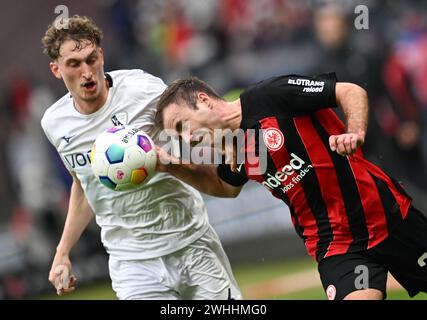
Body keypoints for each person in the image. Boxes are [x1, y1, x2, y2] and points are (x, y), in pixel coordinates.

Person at [156, 74, 427, 300]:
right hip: (336, 246)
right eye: (177, 136)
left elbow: (349, 91)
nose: (187, 139)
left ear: (203, 101)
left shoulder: (269, 96)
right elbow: (225, 187)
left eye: (182, 125)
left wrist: (354, 132)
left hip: (386, 218)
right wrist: (170, 166)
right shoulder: (237, 149)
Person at [40, 15, 241, 300]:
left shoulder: (142, 89)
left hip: (192, 243)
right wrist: (62, 253)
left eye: (91, 59)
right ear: (56, 69)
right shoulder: (55, 123)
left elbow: (193, 119)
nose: (87, 72)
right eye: (74, 64)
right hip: (133, 263)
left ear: (102, 55)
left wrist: (226, 145)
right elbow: (83, 186)